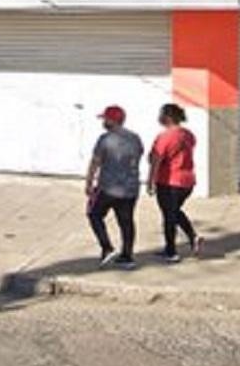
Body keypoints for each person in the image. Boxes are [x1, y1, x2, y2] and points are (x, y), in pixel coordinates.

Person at [85, 104, 143, 268]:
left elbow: (95, 162)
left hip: (108, 188)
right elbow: (138, 156)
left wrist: (89, 183)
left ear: (111, 120)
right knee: (126, 222)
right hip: (130, 188)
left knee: (94, 214)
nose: (103, 122)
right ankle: (127, 256)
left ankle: (107, 247)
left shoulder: (105, 139)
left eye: (105, 119)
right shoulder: (134, 138)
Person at [148, 103, 202, 263]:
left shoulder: (164, 137)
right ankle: (193, 237)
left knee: (169, 217)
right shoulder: (188, 134)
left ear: (167, 117)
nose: (159, 117)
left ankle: (171, 251)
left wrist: (150, 182)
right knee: (175, 211)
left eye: (161, 114)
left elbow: (156, 161)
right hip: (187, 181)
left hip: (169, 182)